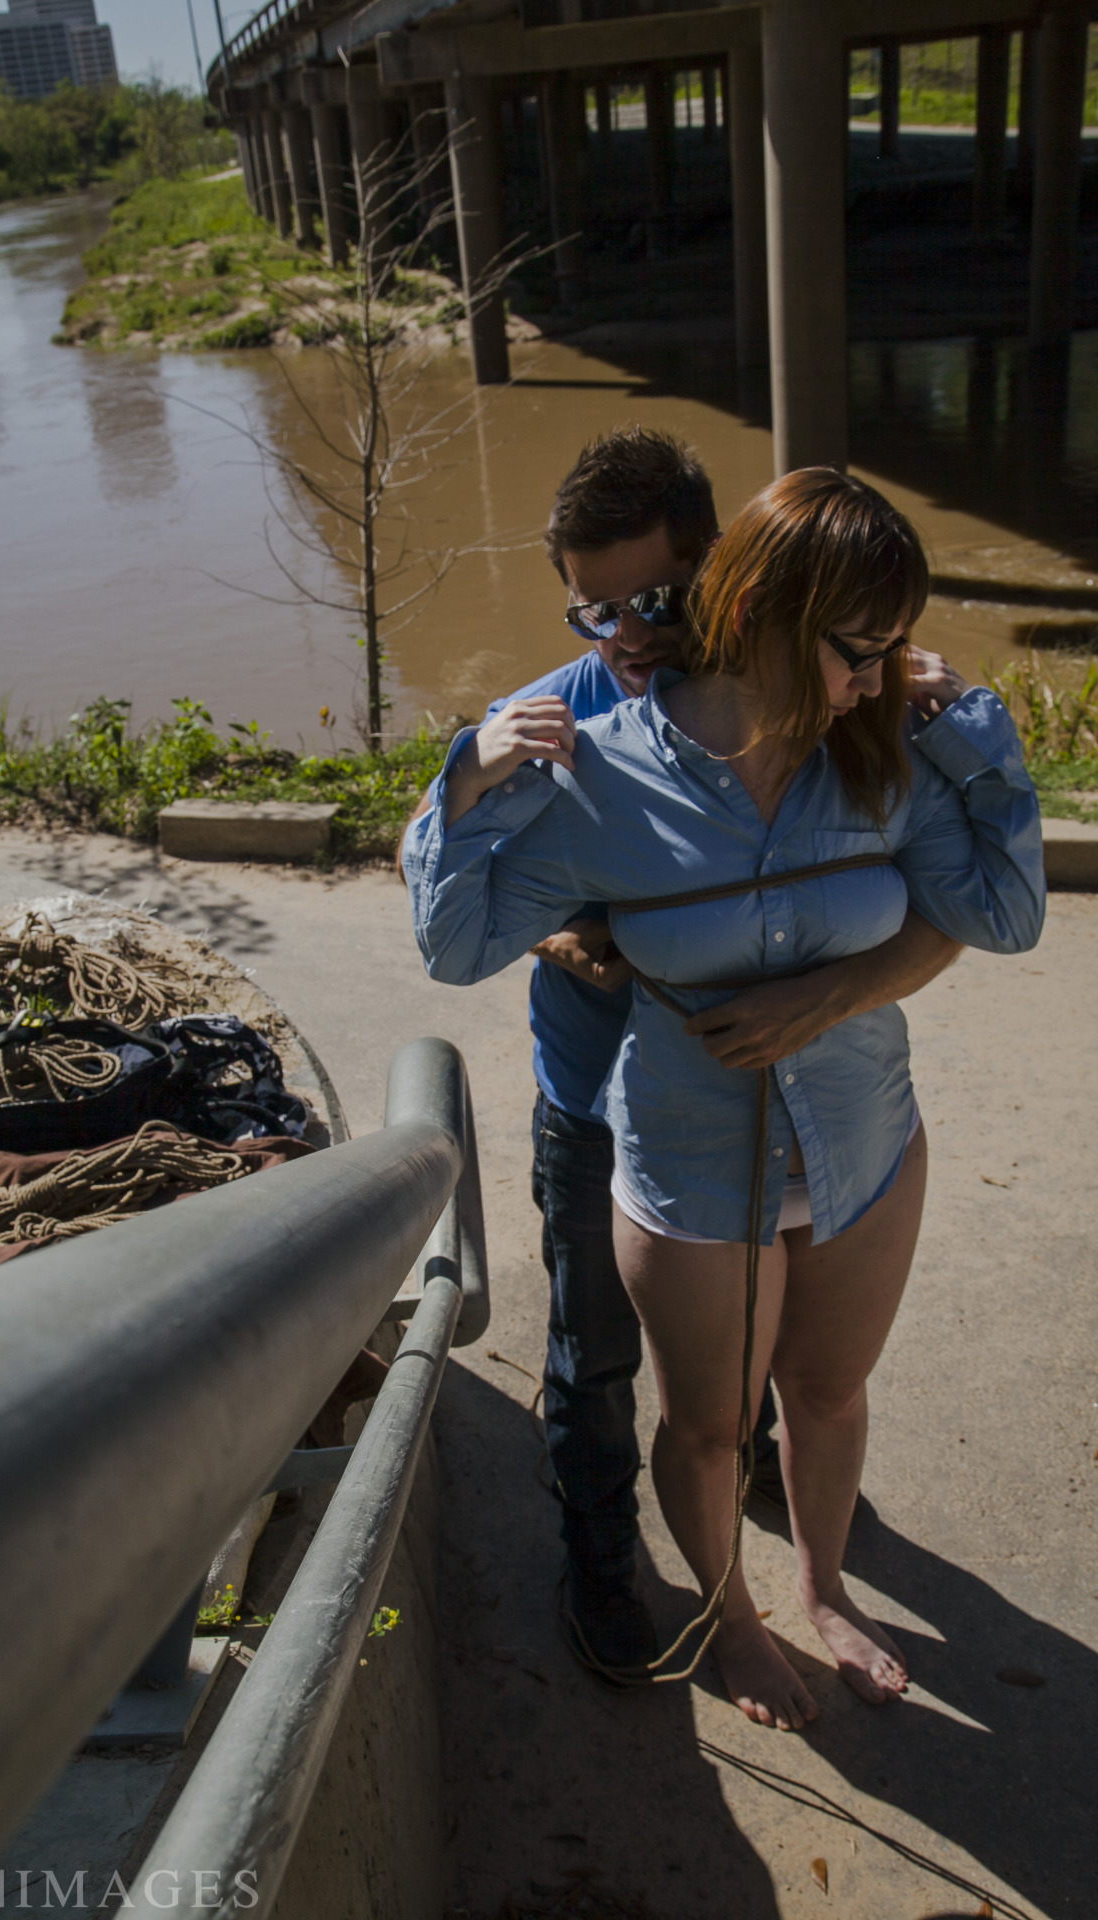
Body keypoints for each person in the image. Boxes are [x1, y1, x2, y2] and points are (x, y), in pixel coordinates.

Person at [404, 468, 1045, 1726]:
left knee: (823, 1393)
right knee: (684, 1418)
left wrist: (973, 727)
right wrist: (463, 780)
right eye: (855, 650)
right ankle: (723, 1619)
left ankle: (821, 1591)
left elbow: (998, 916)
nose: (872, 677)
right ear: (762, 610)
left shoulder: (882, 747)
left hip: (861, 1139)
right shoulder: (589, 753)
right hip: (681, 1149)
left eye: (884, 650)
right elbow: (457, 940)